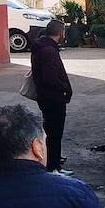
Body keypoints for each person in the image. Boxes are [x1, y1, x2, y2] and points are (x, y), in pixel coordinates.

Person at [30, 20, 73, 175]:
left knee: (51, 131)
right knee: (55, 133)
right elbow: (50, 77)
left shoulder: (42, 47)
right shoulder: (49, 51)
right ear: (60, 33)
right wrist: (64, 89)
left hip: (46, 96)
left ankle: (53, 163)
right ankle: (53, 167)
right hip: (53, 97)